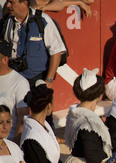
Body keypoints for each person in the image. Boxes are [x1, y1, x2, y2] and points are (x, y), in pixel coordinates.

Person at [1, 0, 67, 132]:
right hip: (16, 79)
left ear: (24, 3)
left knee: (44, 118)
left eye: (12, 2)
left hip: (38, 78)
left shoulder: (43, 20)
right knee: (15, 116)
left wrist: (48, 80)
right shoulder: (8, 22)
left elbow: (56, 51)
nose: (8, 5)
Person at [0, 39, 29, 142]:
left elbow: (23, 119)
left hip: (8, 142)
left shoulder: (20, 83)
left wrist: (14, 149)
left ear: (5, 60)